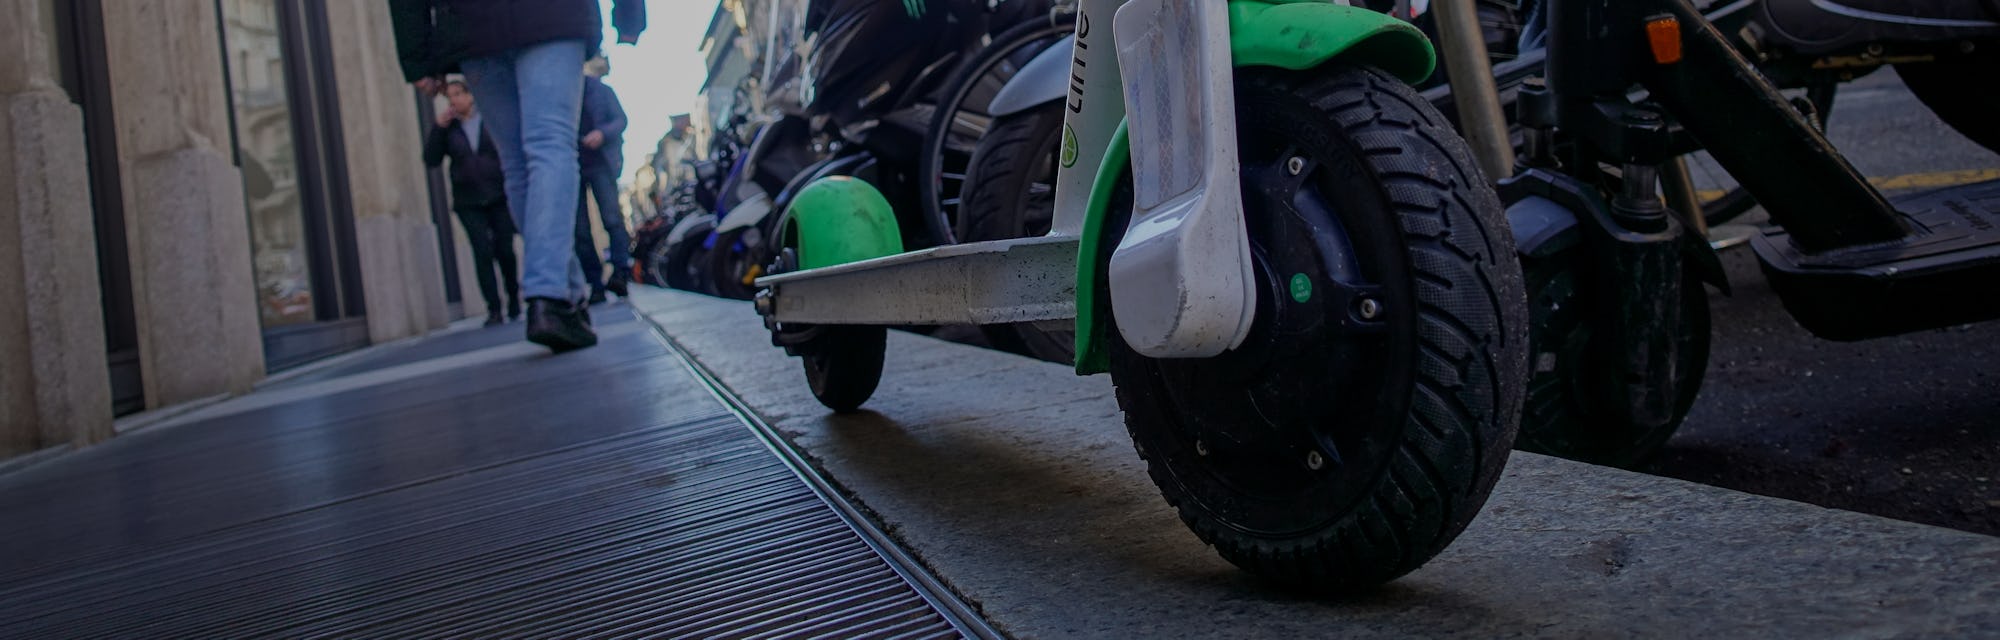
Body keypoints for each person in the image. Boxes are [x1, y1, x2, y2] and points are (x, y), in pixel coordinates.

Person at [389, 0, 647, 352]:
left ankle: (563, 296)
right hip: (550, 16)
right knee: (549, 145)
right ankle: (549, 295)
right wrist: (629, 15)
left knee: (518, 162)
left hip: (472, 26)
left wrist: (416, 54)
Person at [423, 80, 521, 327]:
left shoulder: (489, 119)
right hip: (468, 200)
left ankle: (514, 299)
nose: (453, 100)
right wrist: (437, 129)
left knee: (505, 250)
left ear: (470, 96)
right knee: (482, 251)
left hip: (498, 195)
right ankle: (493, 308)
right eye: (450, 96)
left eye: (458, 94)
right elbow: (431, 159)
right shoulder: (449, 129)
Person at [573, 67, 633, 304]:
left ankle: (620, 273)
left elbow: (620, 119)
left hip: (601, 163)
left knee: (612, 220)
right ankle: (595, 283)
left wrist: (601, 133)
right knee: (580, 230)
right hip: (572, 167)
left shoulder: (600, 89)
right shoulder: (557, 93)